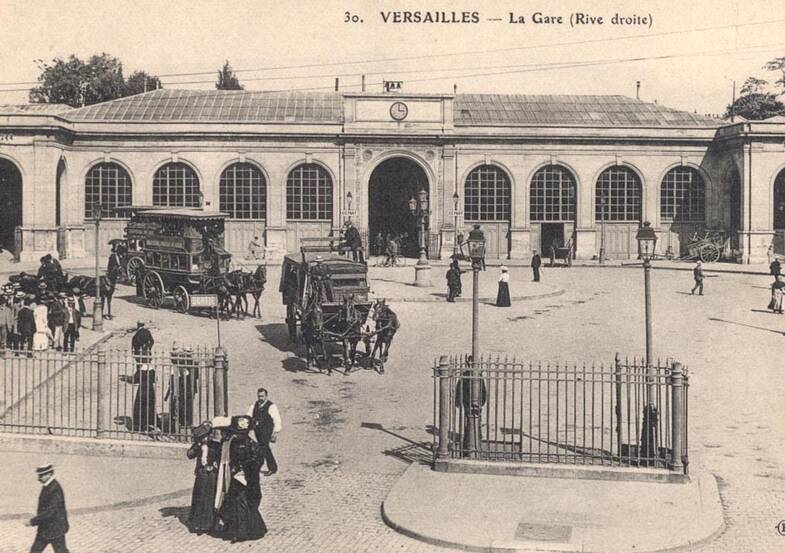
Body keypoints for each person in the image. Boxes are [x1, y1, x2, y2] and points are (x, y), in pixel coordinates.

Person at [217, 415, 267, 542]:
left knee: (240, 502)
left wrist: (242, 468)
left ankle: (241, 532)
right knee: (237, 502)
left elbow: (252, 459)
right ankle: (241, 530)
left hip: (242, 476)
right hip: (241, 476)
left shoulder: (244, 443)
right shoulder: (240, 441)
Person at [186, 422, 221, 534]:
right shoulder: (199, 445)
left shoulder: (214, 445)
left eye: (206, 435)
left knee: (210, 497)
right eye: (203, 437)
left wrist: (214, 465)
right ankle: (197, 524)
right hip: (202, 473)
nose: (205, 438)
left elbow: (219, 457)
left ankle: (209, 524)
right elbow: (189, 455)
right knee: (199, 496)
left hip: (212, 474)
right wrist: (198, 446)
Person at [26, 464, 69, 553]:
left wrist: (32, 521)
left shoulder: (55, 488)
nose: (39, 478)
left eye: (41, 475)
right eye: (39, 475)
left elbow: (50, 511)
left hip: (55, 529)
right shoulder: (48, 486)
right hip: (46, 528)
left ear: (49, 474)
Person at [247, 388, 282, 476]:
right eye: (259, 396)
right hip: (257, 430)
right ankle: (272, 467)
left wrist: (275, 433)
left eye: (262, 396)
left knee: (263, 447)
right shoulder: (255, 405)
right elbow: (248, 415)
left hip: (267, 430)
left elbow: (277, 419)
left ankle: (271, 468)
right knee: (264, 447)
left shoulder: (271, 406)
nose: (260, 398)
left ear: (266, 396)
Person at [120, 355, 157, 432]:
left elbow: (135, 380)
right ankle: (150, 423)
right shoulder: (152, 370)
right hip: (150, 390)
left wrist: (125, 379)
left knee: (140, 406)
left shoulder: (141, 371)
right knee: (149, 406)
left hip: (142, 390)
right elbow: (154, 380)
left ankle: (139, 425)